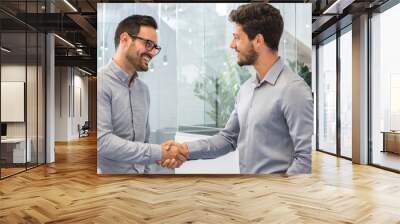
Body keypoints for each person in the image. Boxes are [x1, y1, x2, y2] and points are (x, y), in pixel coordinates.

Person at [161, 3, 314, 174]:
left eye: (237, 37)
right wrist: (184, 150)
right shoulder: (246, 89)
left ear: (258, 41)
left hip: (276, 197)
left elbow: (304, 159)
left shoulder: (294, 90)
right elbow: (227, 139)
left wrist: (278, 196)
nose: (232, 45)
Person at [97, 15, 187, 174]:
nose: (152, 53)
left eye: (155, 47)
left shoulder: (143, 90)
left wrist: (159, 159)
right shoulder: (101, 82)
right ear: (124, 39)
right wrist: (161, 152)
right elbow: (103, 142)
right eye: (148, 44)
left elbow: (143, 141)